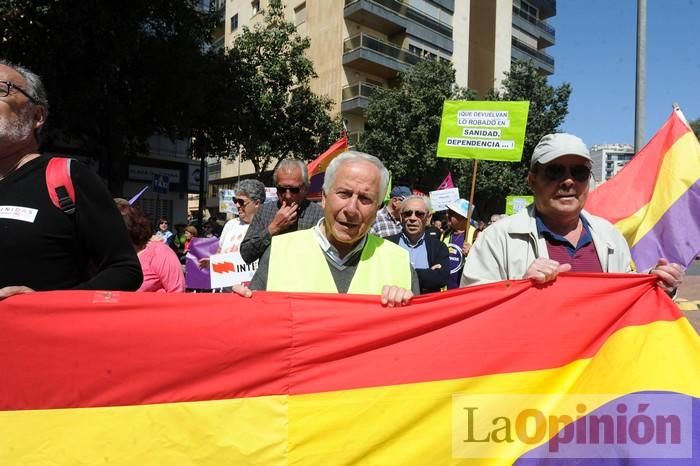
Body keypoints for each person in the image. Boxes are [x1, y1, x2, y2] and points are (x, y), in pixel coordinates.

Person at [461, 133, 684, 293]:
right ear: (532, 180)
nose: (568, 181)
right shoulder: (497, 238)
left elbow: (626, 298)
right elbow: (472, 309)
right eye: (555, 171)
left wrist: (656, 284)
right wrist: (521, 286)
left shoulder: (610, 236)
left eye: (579, 172)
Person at [0, 60, 142, 298]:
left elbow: (125, 270)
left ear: (37, 116)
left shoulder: (67, 176)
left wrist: (49, 303)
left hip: (33, 332)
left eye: (1, 89)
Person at [241, 151, 418, 307]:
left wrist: (406, 311)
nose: (351, 209)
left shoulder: (399, 263)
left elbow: (417, 339)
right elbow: (253, 324)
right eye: (344, 194)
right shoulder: (278, 253)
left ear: (378, 208)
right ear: (324, 198)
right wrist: (238, 304)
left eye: (365, 198)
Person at [239, 159, 323, 264]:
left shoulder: (319, 214)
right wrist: (273, 229)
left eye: (294, 190)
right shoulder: (264, 211)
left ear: (305, 188)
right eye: (282, 189)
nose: (287, 196)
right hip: (269, 279)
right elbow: (246, 254)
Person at [386, 195, 449, 294]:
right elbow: (382, 277)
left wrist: (399, 275)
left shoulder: (439, 248)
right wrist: (426, 273)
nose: (412, 218)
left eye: (419, 214)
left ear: (428, 217)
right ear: (401, 217)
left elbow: (440, 279)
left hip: (425, 308)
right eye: (408, 213)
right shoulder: (386, 244)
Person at [199, 179, 266, 269]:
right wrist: (213, 262)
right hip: (225, 281)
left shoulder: (266, 227)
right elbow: (219, 251)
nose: (237, 205)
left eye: (241, 202)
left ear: (257, 203)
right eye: (235, 200)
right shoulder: (231, 224)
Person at [119, 204, 184, 293]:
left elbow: (177, 292)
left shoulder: (162, 249)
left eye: (166, 223)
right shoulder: (114, 254)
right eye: (161, 223)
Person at [441, 199, 477, 289]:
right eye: (447, 212)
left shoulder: (477, 234)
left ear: (464, 217)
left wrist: (474, 252)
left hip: (464, 292)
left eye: (451, 213)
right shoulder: (444, 234)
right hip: (444, 291)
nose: (447, 215)